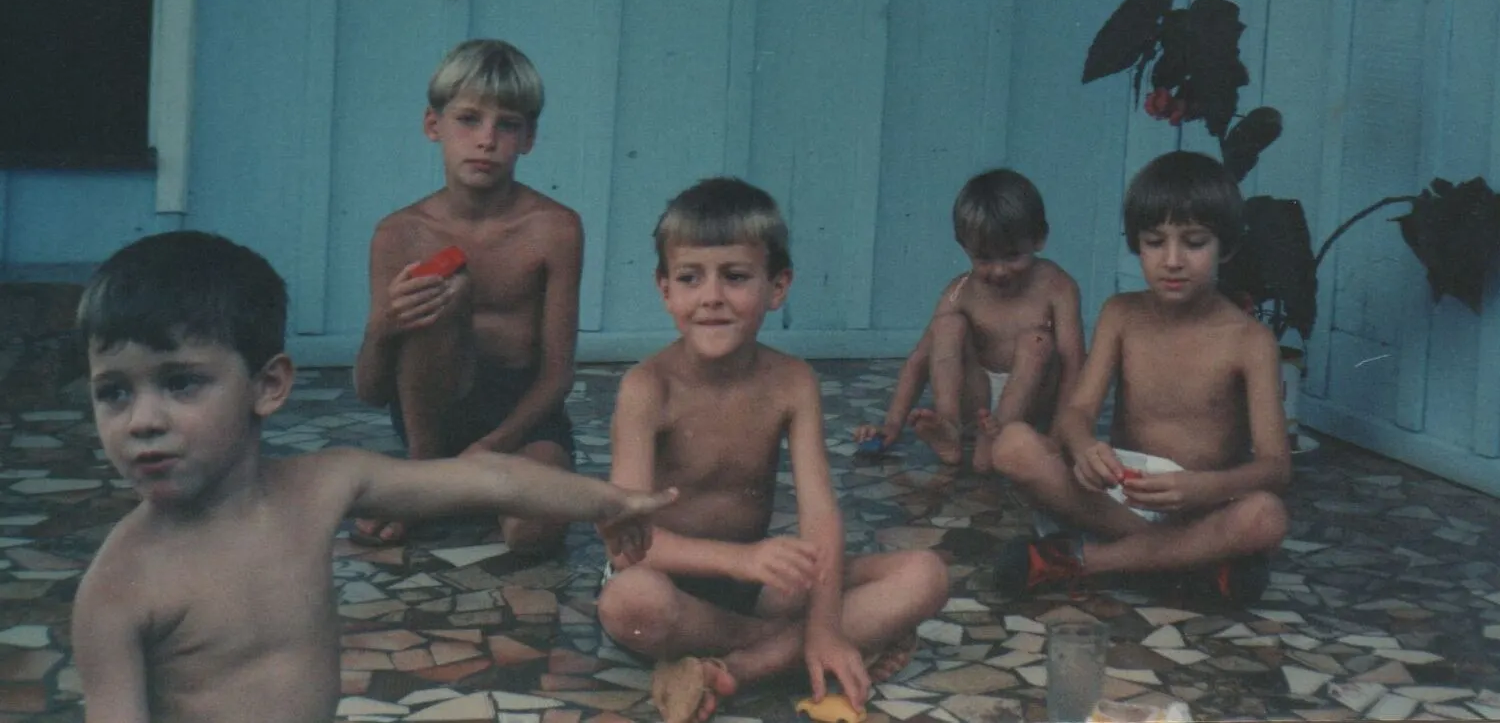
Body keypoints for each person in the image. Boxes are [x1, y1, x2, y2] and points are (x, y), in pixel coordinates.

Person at [71, 231, 674, 723]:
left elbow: (489, 480)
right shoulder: (121, 587)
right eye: (114, 392)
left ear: (268, 385)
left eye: (180, 383)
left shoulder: (321, 487)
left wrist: (605, 501)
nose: (142, 421)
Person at [596, 178, 949, 723]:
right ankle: (789, 651)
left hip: (756, 588)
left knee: (925, 573)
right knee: (627, 603)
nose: (712, 296)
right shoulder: (648, 388)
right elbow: (625, 546)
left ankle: (739, 669)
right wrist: (743, 561)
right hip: (668, 583)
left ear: (777, 286)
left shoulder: (792, 382)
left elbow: (819, 513)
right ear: (665, 289)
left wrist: (827, 619)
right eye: (691, 278)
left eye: (735, 277)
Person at [989, 151, 1290, 605]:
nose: (1172, 260)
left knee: (1266, 516)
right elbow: (1078, 411)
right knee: (1013, 445)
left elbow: (1275, 466)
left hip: (1198, 503)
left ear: (1225, 246)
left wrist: (1200, 488)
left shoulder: (1250, 340)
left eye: (1194, 242)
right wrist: (1086, 448)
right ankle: (1191, 562)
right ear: (1136, 244)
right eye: (1154, 242)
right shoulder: (1121, 314)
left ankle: (1083, 561)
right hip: (1119, 497)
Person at [350, 38, 584, 553]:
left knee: (535, 532)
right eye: (468, 120)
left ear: (529, 138)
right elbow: (369, 390)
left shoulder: (554, 229)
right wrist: (383, 326)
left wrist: (491, 449)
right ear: (433, 126)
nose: (486, 140)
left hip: (520, 418)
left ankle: (451, 490)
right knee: (444, 292)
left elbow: (557, 375)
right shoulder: (400, 233)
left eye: (507, 125)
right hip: (430, 421)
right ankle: (426, 475)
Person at [854, 168, 1084, 471]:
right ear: (964, 247)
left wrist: (1058, 439)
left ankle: (999, 437)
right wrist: (892, 425)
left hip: (1032, 397)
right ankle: (950, 429)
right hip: (976, 398)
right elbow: (919, 360)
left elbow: (1074, 364)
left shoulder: (1058, 286)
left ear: (1039, 238)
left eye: (1013, 256)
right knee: (947, 325)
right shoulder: (959, 291)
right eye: (985, 259)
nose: (999, 271)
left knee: (1037, 340)